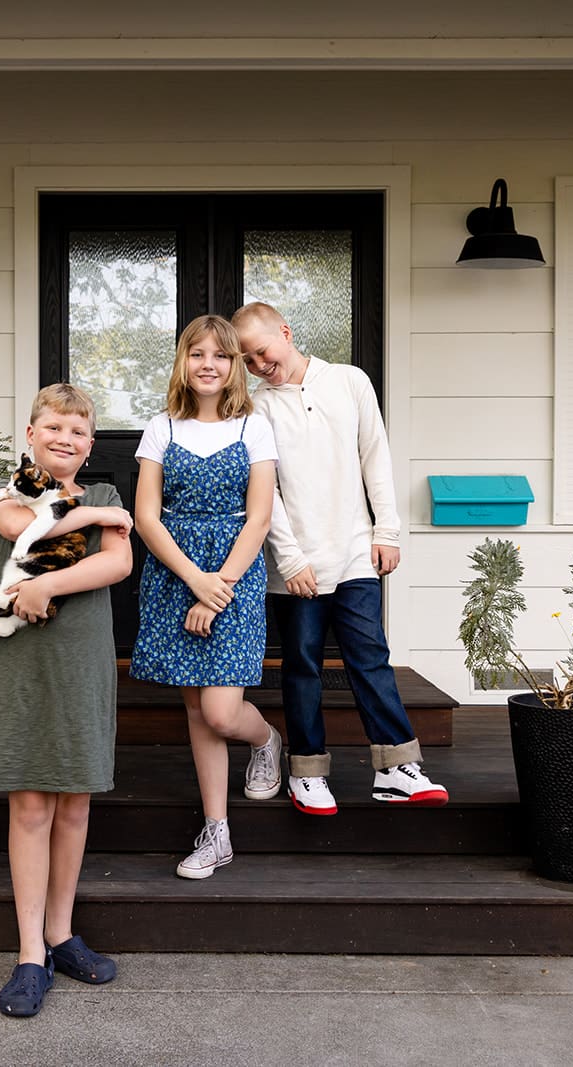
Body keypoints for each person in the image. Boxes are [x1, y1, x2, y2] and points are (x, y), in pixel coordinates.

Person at [231, 301, 449, 815]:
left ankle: (396, 766)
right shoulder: (256, 409)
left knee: (369, 656)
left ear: (285, 332)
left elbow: (375, 454)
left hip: (354, 551)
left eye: (261, 351)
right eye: (247, 360)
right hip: (297, 566)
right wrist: (289, 559)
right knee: (302, 666)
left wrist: (387, 530)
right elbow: (266, 495)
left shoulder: (349, 381)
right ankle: (306, 770)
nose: (259, 365)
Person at [0, 383, 134, 1018]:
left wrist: (49, 588)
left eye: (77, 432)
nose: (64, 439)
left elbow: (117, 566)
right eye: (53, 429)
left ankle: (61, 935)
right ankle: (29, 956)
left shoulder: (108, 492)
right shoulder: (6, 493)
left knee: (73, 803)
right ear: (31, 435)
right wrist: (94, 520)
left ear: (90, 444)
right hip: (27, 664)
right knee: (31, 806)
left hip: (82, 662)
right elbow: (30, 529)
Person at [130, 314, 284, 879]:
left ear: (235, 365)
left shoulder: (253, 428)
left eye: (221, 355)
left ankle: (267, 738)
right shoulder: (161, 428)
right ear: (183, 362)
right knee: (197, 707)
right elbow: (147, 517)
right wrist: (193, 580)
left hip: (235, 577)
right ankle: (217, 831)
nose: (209, 365)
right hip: (175, 575)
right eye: (198, 354)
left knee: (222, 712)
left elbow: (259, 516)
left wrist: (215, 588)